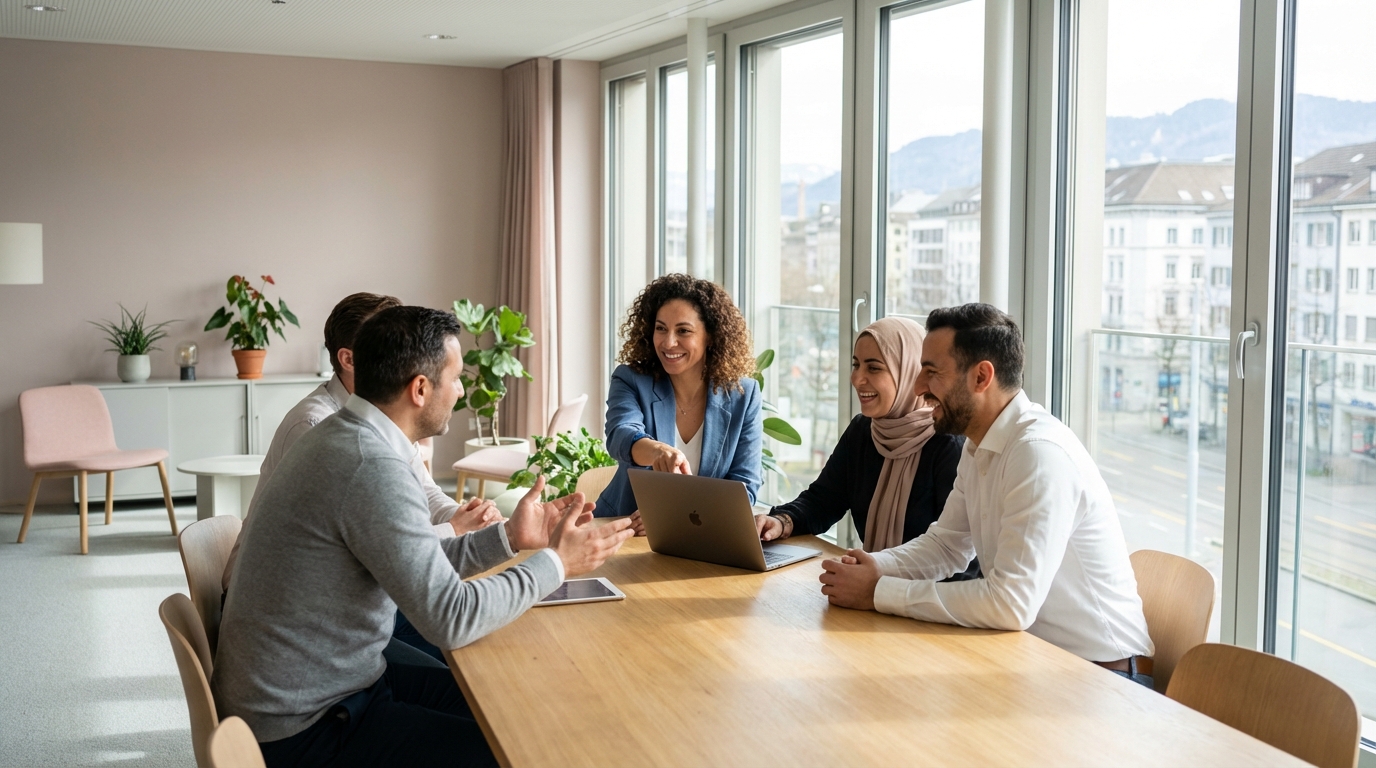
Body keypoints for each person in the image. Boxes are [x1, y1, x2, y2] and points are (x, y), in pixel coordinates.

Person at [213, 306, 635, 766]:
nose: (459, 390)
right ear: (419, 389)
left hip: (326, 686)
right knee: (521, 741)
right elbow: (450, 617)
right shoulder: (369, 466)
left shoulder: (348, 435)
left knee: (506, 701)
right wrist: (556, 563)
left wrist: (510, 538)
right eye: (455, 378)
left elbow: (411, 558)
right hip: (310, 727)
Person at [817, 303, 1155, 688]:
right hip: (1033, 659)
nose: (917, 387)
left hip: (1103, 678)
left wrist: (880, 592)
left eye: (931, 372)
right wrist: (877, 567)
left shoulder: (1038, 453)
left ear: (981, 376)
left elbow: (1011, 603)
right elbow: (946, 547)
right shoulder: (980, 446)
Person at [220, 292, 502, 663]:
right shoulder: (325, 429)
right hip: (295, 615)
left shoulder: (378, 420)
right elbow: (375, 542)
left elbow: (420, 496)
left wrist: (468, 518)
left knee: (471, 651)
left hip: (337, 595)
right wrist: (459, 531)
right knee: (466, 660)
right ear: (350, 358)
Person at [754, 318, 977, 579]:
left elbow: (960, 563)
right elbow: (824, 500)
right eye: (856, 365)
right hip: (873, 590)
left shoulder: (949, 446)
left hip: (927, 601)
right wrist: (782, 521)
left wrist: (882, 591)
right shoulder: (863, 431)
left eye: (874, 368)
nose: (857, 379)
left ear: (909, 372)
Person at [598, 274, 762, 533]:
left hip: (700, 537)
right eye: (661, 328)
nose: (668, 342)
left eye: (683, 331)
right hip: (623, 530)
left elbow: (745, 483)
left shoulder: (744, 394)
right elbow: (620, 435)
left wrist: (674, 516)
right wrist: (656, 451)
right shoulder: (630, 379)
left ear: (710, 336)